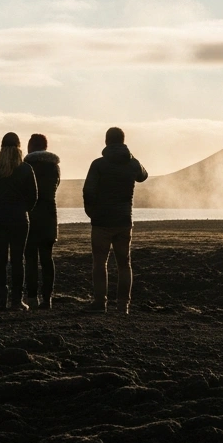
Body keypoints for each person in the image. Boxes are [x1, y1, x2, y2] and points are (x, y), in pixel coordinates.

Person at [82, 127, 148, 314]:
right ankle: (122, 305)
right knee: (124, 263)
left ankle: (99, 302)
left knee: (99, 262)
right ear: (123, 141)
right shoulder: (132, 163)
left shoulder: (98, 165)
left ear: (106, 141)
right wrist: (131, 156)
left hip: (101, 220)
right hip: (124, 219)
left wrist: (91, 212)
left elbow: (88, 190)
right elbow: (143, 176)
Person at [0, 132, 38, 310]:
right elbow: (33, 197)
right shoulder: (26, 169)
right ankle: (16, 300)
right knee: (17, 259)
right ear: (19, 148)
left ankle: (0, 299)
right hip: (20, 219)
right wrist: (23, 210)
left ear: (1, 148)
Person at [24, 133, 60, 309]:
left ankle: (31, 297)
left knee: (30, 257)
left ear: (30, 146)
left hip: (30, 214)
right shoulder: (54, 167)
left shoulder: (26, 166)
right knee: (47, 258)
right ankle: (47, 298)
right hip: (49, 214)